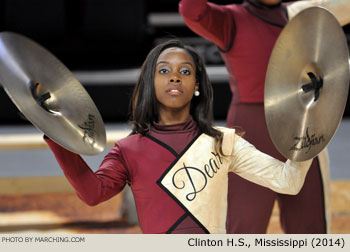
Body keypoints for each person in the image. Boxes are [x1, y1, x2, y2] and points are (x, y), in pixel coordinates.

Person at [45, 39, 313, 234]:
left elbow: (288, 180)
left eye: (185, 71)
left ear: (196, 85)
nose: (175, 77)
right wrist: (55, 133)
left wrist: (314, 119)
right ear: (151, 81)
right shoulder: (128, 150)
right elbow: (92, 194)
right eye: (164, 71)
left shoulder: (223, 142)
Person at [179, 0, 350, 234]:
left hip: (304, 126)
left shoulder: (301, 12)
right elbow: (191, 10)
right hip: (250, 133)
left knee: (310, 228)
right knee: (244, 227)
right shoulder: (231, 19)